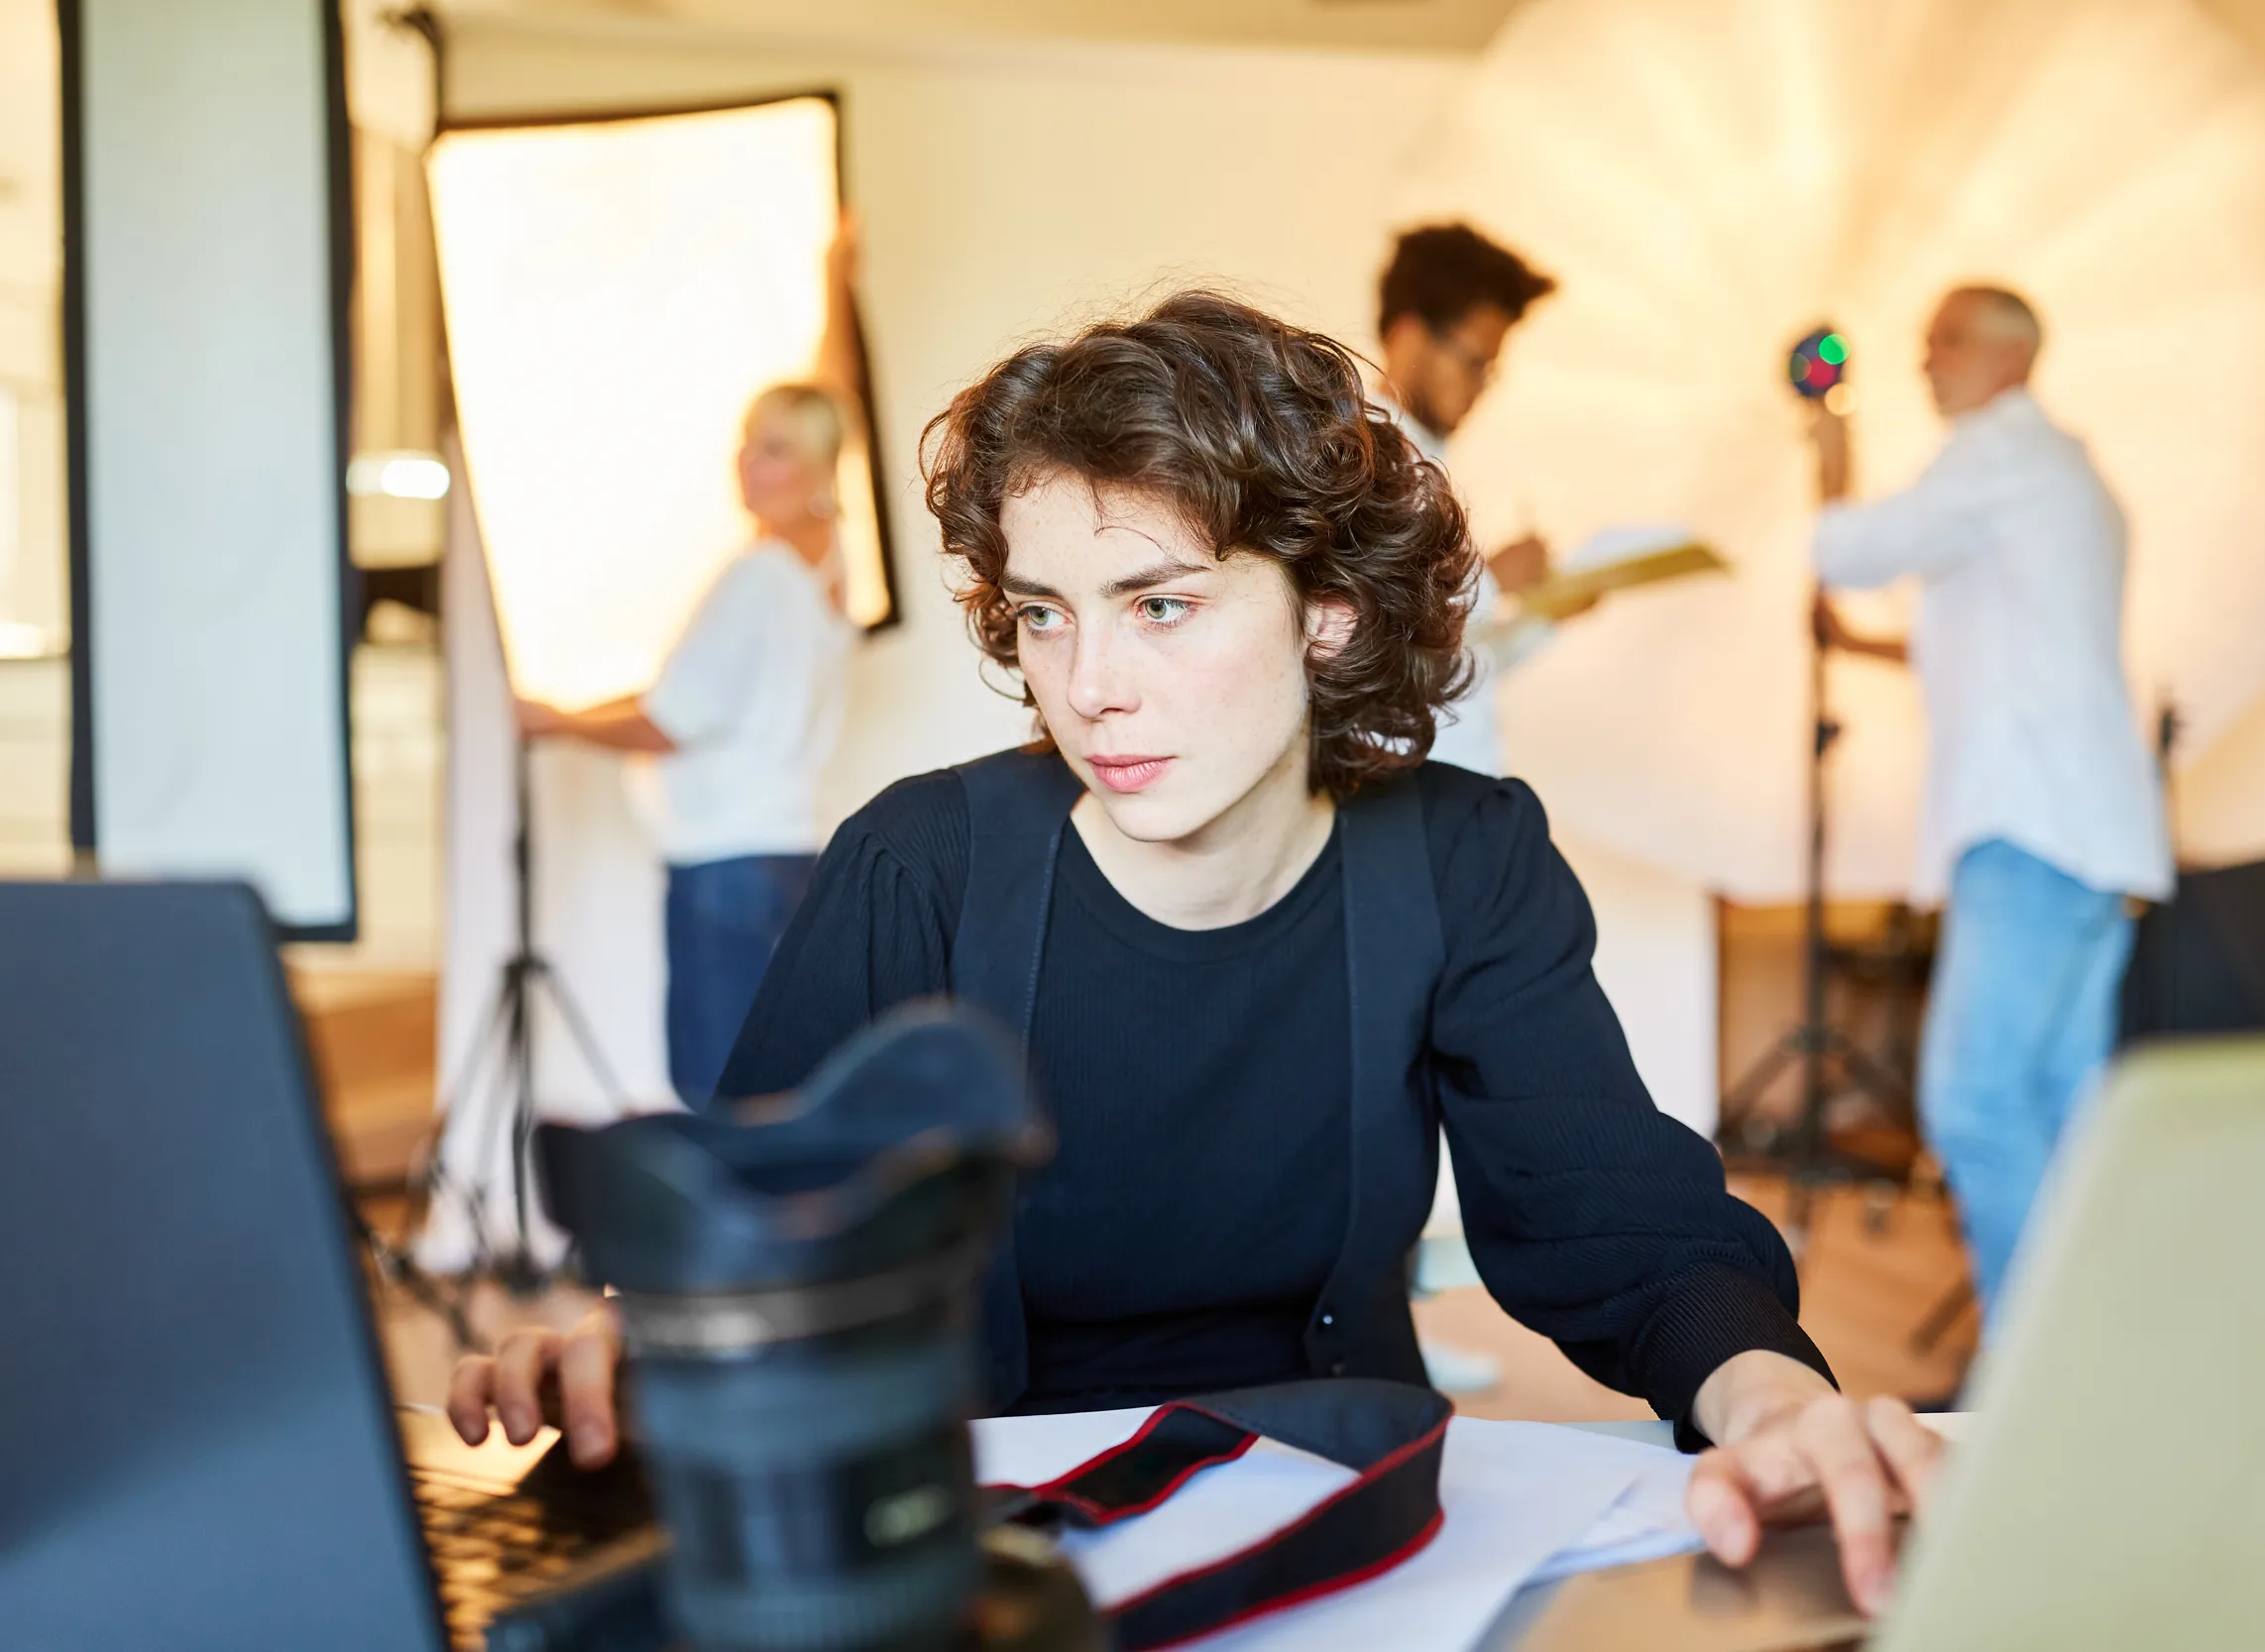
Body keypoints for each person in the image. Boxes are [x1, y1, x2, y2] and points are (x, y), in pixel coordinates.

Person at [455, 291, 1945, 1616]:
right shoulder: (920, 862)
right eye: (1045, 617)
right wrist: (633, 1338)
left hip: (1346, 1552)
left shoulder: (1462, 855)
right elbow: (759, 1220)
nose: (1088, 688)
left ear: (1326, 614)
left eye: (1161, 606)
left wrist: (1769, 1394)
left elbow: (1621, 1222)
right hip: (984, 1569)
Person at [1808, 285, 2173, 1322]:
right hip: (2089, 835)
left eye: (1947, 340)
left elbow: (1848, 548)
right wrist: (1865, 643)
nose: (1926, 359)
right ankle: (2091, 1360)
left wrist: (1833, 446)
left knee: (1971, 1103)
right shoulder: (2068, 474)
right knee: (2066, 1115)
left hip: (2029, 829)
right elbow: (1991, 630)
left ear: (2013, 355)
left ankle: (2029, 1365)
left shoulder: (1999, 451)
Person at [516, 225, 868, 1106]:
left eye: (775, 447)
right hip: (788, 855)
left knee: (719, 1095)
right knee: (781, 1087)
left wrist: (549, 720)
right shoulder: (830, 557)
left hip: (726, 871)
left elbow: (666, 722)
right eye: (748, 441)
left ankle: (748, 1251)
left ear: (819, 461)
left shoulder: (755, 577)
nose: (749, 462)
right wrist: (836, 286)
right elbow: (840, 400)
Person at [1373, 223, 1565, 777]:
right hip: (1402, 799)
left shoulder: (1427, 459)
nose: (1483, 387)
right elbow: (1368, 642)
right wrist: (1494, 578)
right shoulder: (1357, 453)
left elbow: (1452, 668)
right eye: (1475, 362)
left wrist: (1545, 615)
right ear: (1409, 337)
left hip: (1456, 791)